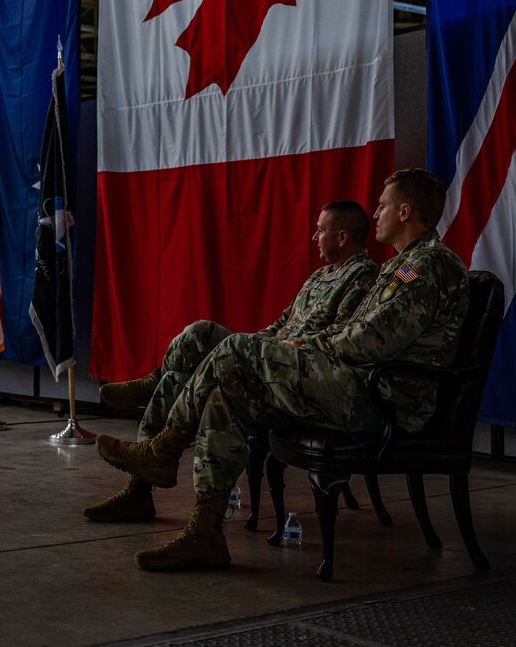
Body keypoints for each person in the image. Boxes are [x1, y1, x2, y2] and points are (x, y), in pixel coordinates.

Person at [95, 169, 469, 571]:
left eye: (383, 206)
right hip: (355, 383)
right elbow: (353, 333)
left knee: (235, 349)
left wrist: (303, 345)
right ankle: (205, 531)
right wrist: (287, 346)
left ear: (405, 211)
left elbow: (371, 340)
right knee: (225, 396)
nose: (376, 213)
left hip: (383, 399)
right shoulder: (402, 266)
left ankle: (163, 451)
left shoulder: (425, 266)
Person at [85, 200, 377, 522]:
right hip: (268, 360)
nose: (314, 237)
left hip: (294, 379)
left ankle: (157, 454)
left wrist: (269, 348)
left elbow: (343, 339)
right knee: (199, 335)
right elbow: (281, 323)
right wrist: (256, 344)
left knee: (196, 372)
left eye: (321, 230)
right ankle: (142, 479)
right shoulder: (319, 276)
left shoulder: (364, 278)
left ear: (342, 237)